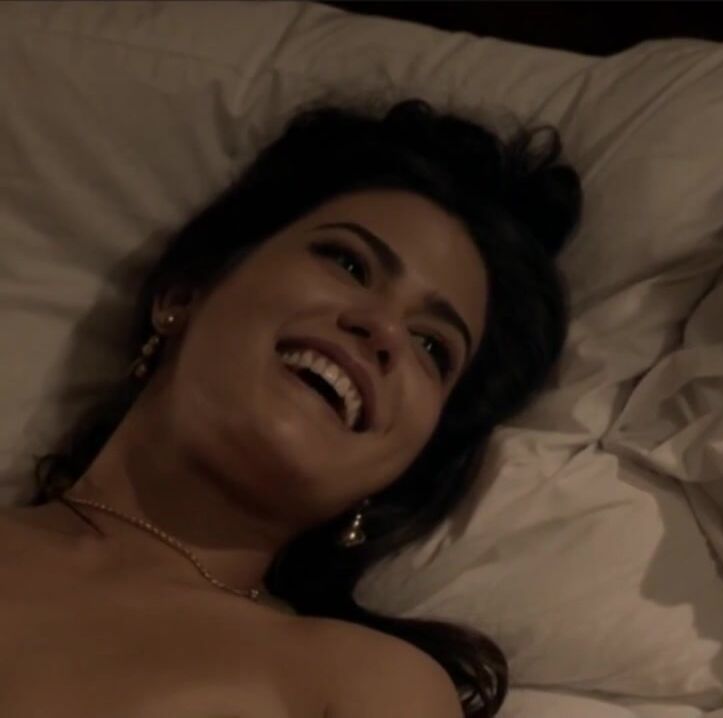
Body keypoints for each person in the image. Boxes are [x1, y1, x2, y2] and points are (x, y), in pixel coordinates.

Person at [1, 99, 580, 718]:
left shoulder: (372, 684)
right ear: (185, 293)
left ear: (403, 469)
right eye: (348, 263)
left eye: (432, 347)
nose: (385, 330)